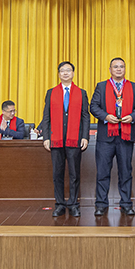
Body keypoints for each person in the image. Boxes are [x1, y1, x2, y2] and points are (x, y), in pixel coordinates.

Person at [90, 57, 135, 216]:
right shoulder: (101, 86)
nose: (119, 69)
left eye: (121, 66)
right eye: (115, 66)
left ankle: (126, 203)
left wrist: (133, 116)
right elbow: (93, 106)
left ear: (125, 69)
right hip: (106, 136)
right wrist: (106, 116)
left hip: (126, 136)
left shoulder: (133, 86)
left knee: (125, 172)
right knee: (102, 172)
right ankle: (101, 204)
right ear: (110, 69)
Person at [40, 61, 90, 217]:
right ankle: (60, 204)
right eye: (62, 70)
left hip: (74, 139)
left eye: (68, 70)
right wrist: (46, 137)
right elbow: (46, 116)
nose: (65, 73)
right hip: (56, 139)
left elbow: (85, 116)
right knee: (57, 174)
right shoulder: (51, 92)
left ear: (73, 73)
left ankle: (74, 204)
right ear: (59, 74)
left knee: (74, 174)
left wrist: (85, 136)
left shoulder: (81, 93)